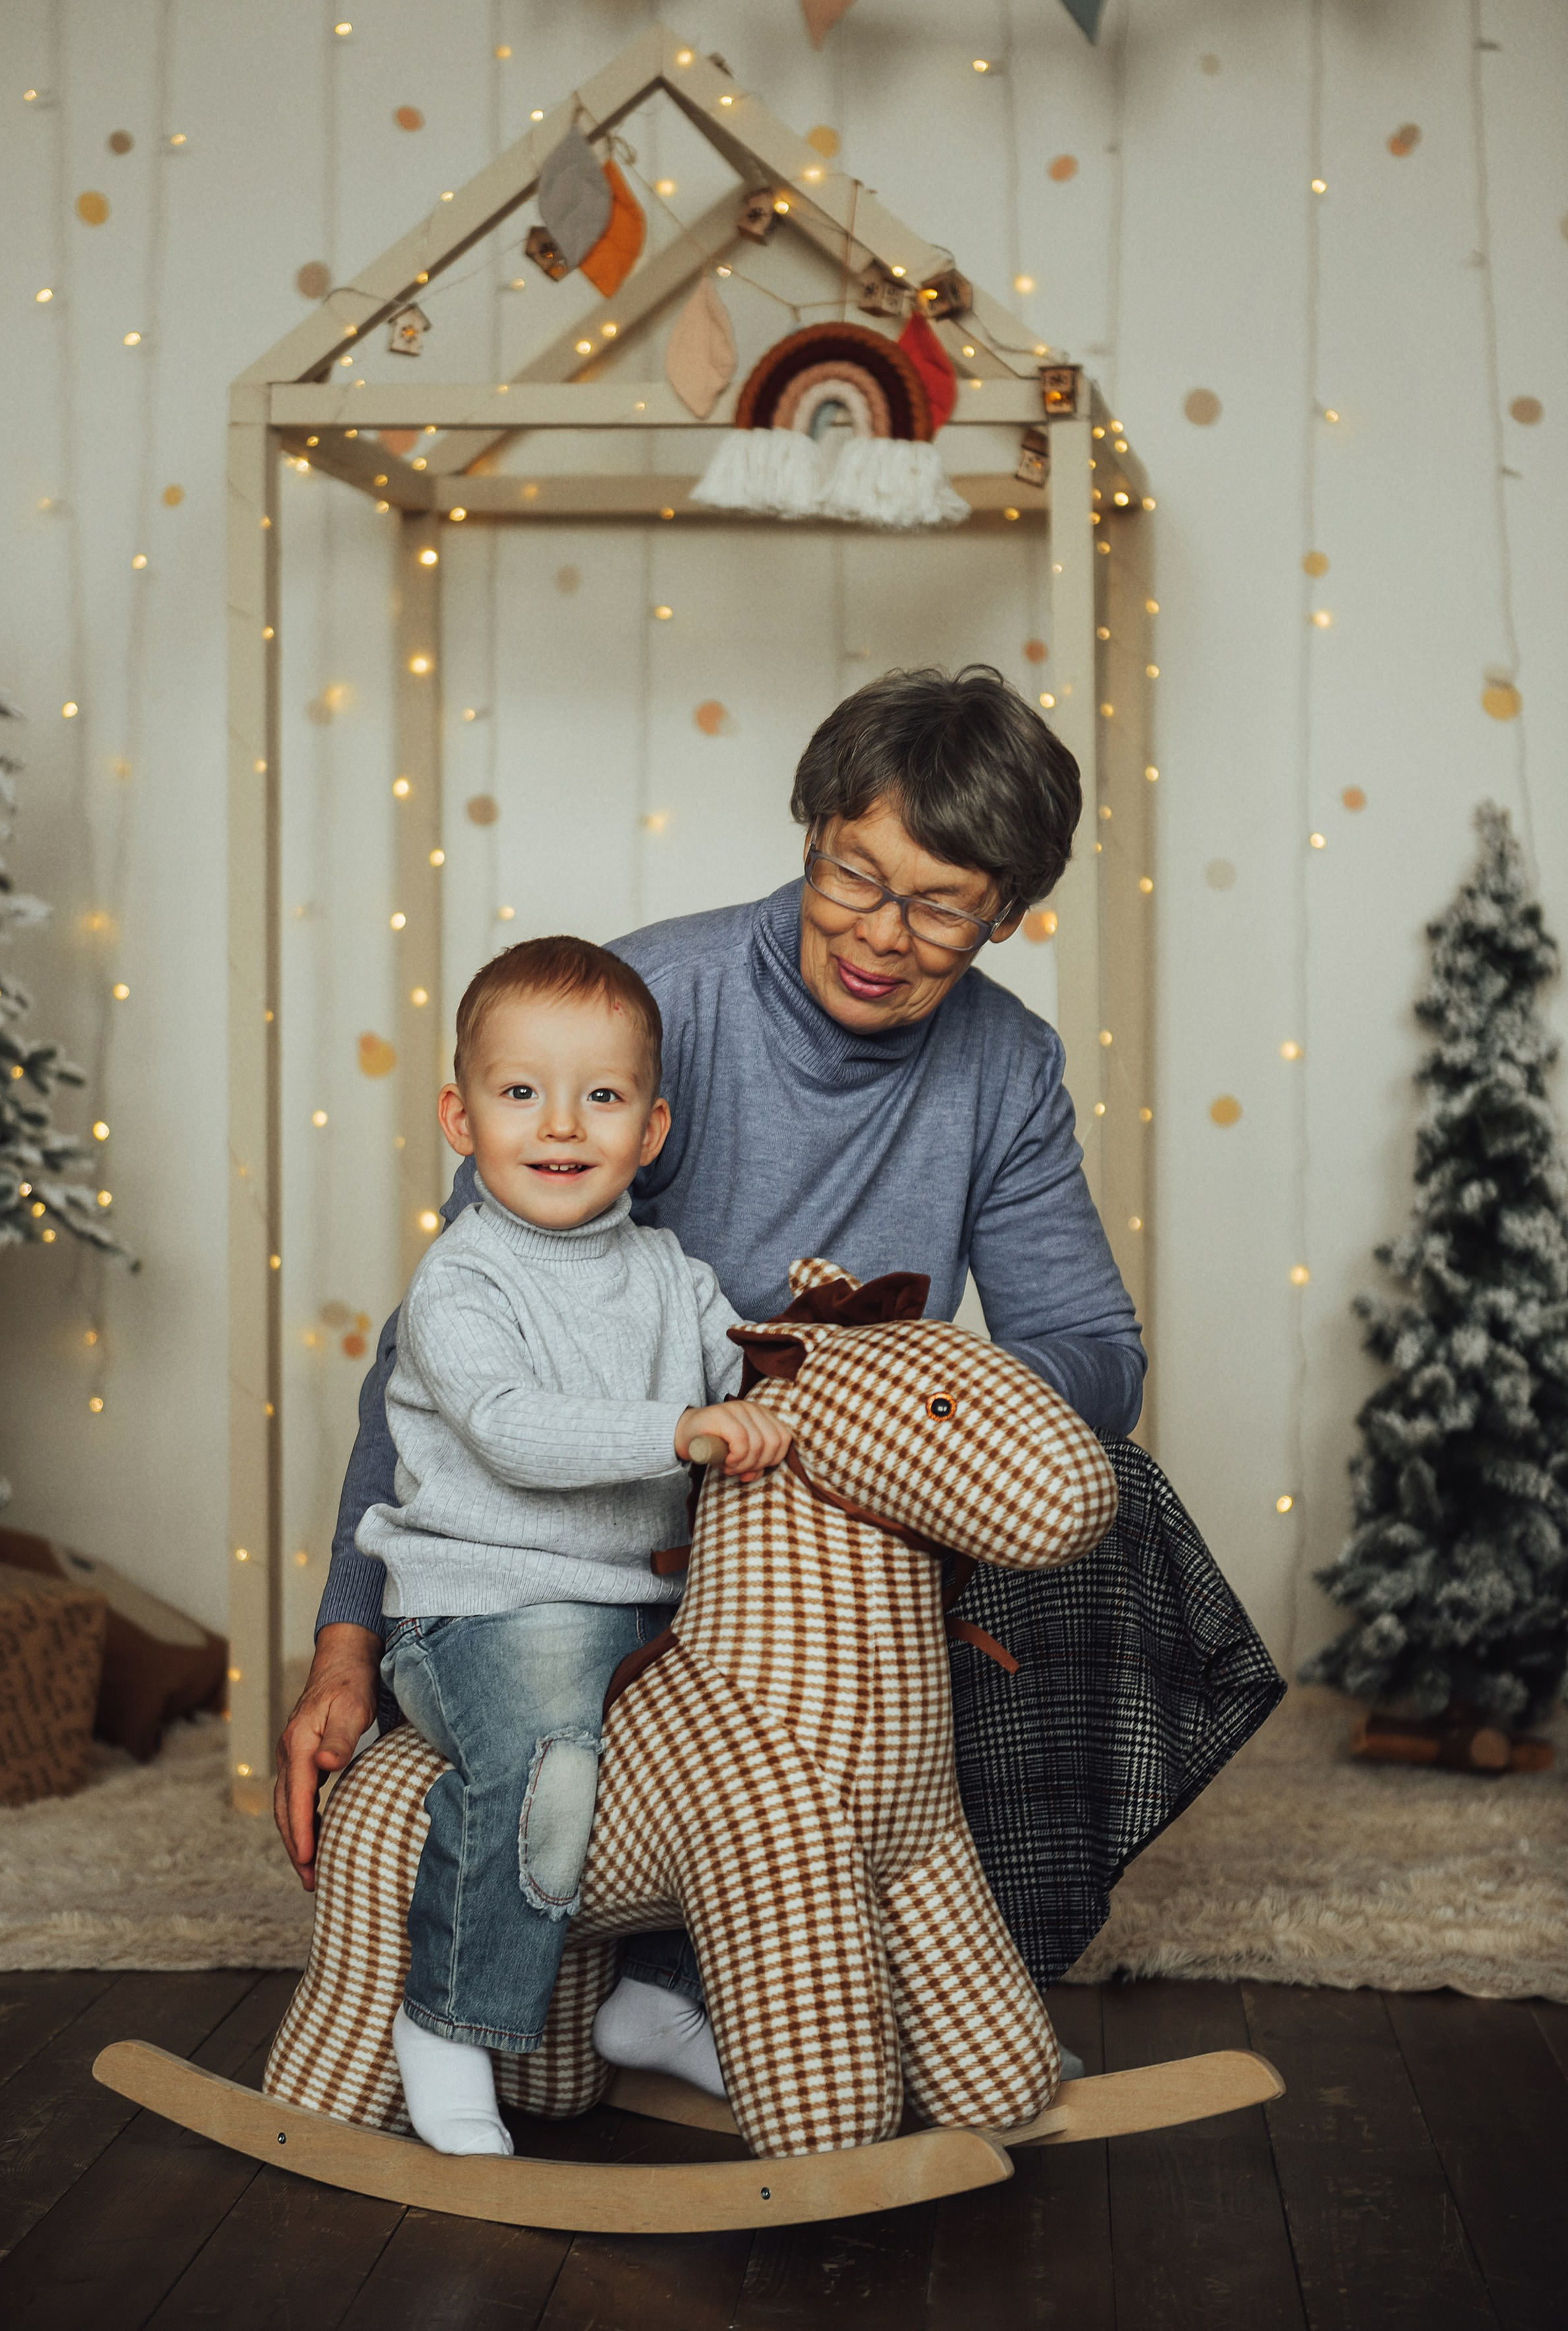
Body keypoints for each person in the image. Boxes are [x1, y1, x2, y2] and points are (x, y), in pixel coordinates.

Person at [277, 663, 1282, 2001]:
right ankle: (671, 1976)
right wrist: (345, 1644)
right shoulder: (649, 1005)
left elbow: (1096, 1357)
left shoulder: (1007, 1065)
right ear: (811, 832)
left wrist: (870, 1393)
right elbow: (442, 1345)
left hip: (842, 1505)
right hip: (630, 1502)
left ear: (1008, 914)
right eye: (854, 875)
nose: (882, 933)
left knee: (1111, 1500)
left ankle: (959, 1960)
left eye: (942, 905)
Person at [366, 934, 791, 2155]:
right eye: (521, 1093)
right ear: (461, 1118)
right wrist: (681, 1430)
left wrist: (804, 1371)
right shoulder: (463, 1280)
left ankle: (662, 1996)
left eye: (601, 1096)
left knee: (748, 1748)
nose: (561, 1124)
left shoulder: (672, 1273)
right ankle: (448, 2022)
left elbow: (746, 1379)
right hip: (486, 1611)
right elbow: (509, 1430)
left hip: (644, 1608)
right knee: (556, 1767)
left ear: (650, 1131)